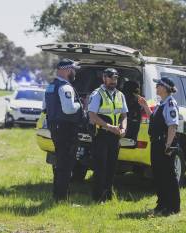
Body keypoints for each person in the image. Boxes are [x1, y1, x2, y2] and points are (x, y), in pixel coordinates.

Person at [138, 77, 181, 215]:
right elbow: (154, 119)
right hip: (157, 143)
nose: (156, 87)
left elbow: (172, 126)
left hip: (165, 143)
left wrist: (168, 145)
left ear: (165, 88)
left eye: (158, 85)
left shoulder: (170, 104)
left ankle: (172, 207)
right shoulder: (161, 103)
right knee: (158, 174)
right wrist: (145, 105)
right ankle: (162, 204)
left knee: (168, 175)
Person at [43, 58, 83, 201]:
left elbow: (44, 108)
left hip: (55, 128)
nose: (74, 73)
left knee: (60, 163)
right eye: (73, 70)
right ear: (67, 70)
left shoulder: (50, 86)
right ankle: (61, 198)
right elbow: (69, 109)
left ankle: (57, 195)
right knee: (66, 164)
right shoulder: (66, 87)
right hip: (66, 129)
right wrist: (82, 104)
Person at [88, 68, 128, 202]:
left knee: (112, 167)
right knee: (100, 168)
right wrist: (110, 127)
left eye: (115, 78)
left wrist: (123, 128)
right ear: (104, 78)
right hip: (101, 135)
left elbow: (124, 115)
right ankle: (98, 197)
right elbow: (92, 116)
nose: (113, 81)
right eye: (110, 78)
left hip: (115, 137)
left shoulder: (120, 95)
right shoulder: (97, 94)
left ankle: (108, 195)